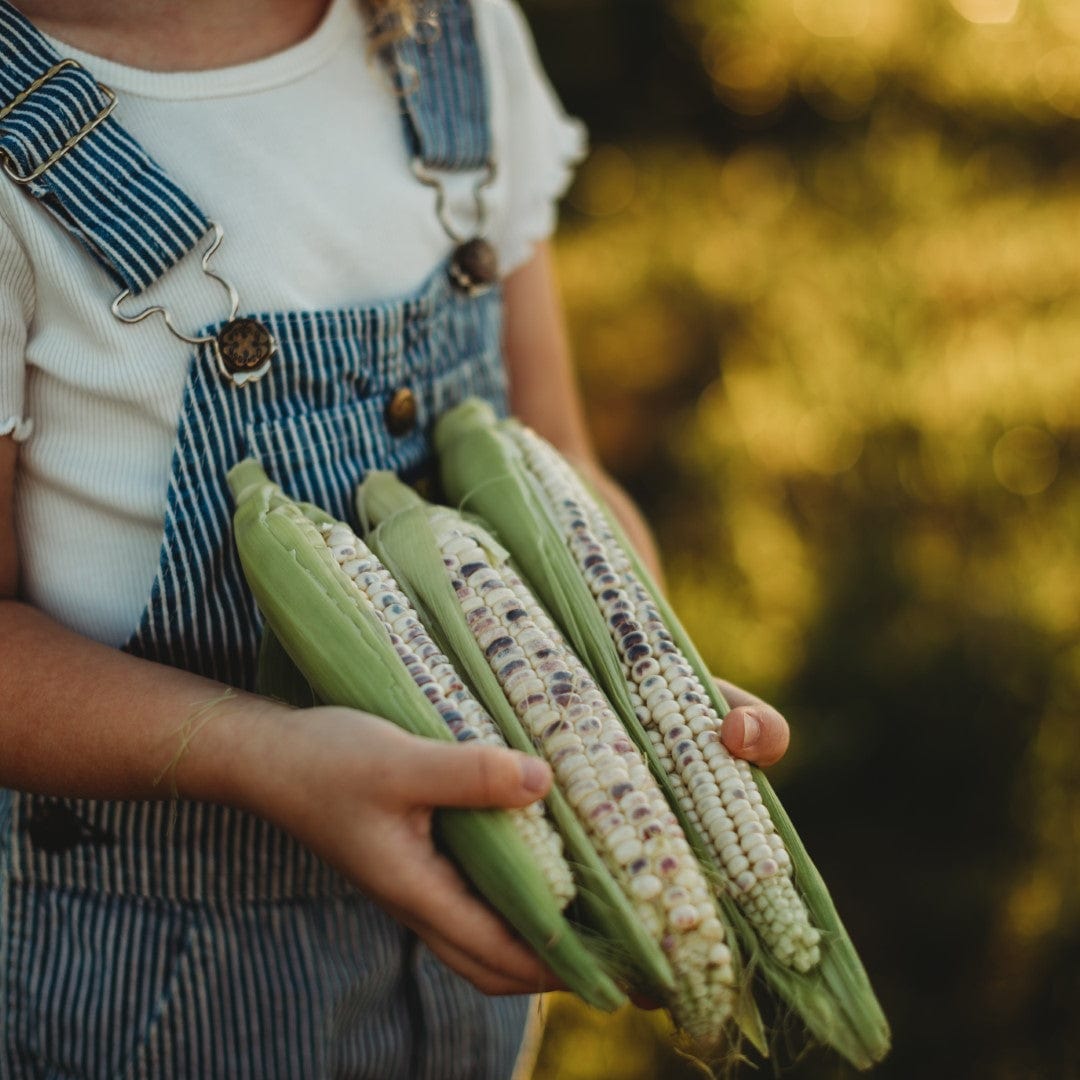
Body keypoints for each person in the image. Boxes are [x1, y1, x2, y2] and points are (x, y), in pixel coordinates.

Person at [0, 0, 791, 1076]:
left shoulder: (451, 33)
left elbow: (558, 455)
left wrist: (639, 687)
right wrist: (260, 752)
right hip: (149, 998)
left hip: (471, 1003)